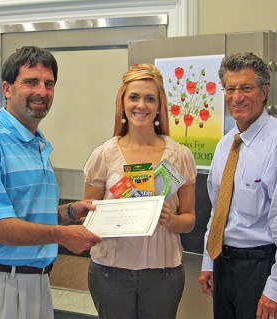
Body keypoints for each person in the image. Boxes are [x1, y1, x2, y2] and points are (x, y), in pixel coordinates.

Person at [0, 46, 102, 319]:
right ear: (7, 89)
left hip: (38, 284)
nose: (42, 91)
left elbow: (21, 215)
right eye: (31, 81)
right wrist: (63, 236)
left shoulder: (38, 144)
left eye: (49, 83)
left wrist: (66, 214)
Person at [198, 52, 277, 319]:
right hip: (224, 266)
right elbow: (217, 212)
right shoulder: (225, 145)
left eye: (246, 88)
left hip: (263, 269)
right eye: (230, 89)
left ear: (264, 92)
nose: (237, 97)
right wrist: (209, 261)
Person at [84, 63, 197, 319]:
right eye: (133, 97)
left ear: (159, 106)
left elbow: (189, 219)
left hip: (163, 275)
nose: (141, 105)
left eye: (150, 98)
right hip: (110, 273)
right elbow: (87, 217)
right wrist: (115, 214)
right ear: (122, 103)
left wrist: (172, 219)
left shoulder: (180, 156)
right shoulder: (103, 155)